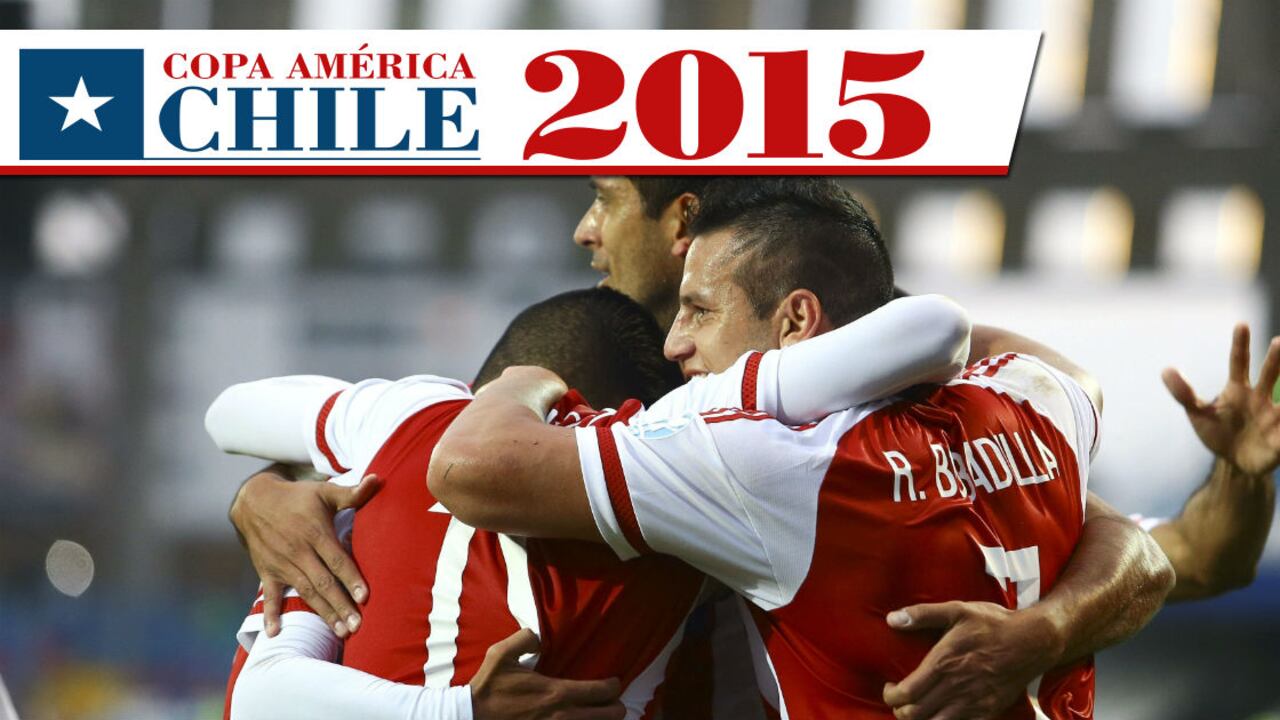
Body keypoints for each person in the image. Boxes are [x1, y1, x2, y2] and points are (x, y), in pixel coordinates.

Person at [426, 179, 1175, 717]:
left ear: (796, 322)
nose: (675, 342)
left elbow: (469, 470)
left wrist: (522, 380)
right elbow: (1144, 553)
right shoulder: (1032, 401)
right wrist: (1047, 631)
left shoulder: (767, 462)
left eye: (699, 310)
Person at [209, 286, 975, 719]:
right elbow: (932, 326)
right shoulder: (677, 448)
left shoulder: (401, 426)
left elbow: (228, 412)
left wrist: (260, 490)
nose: (586, 228)